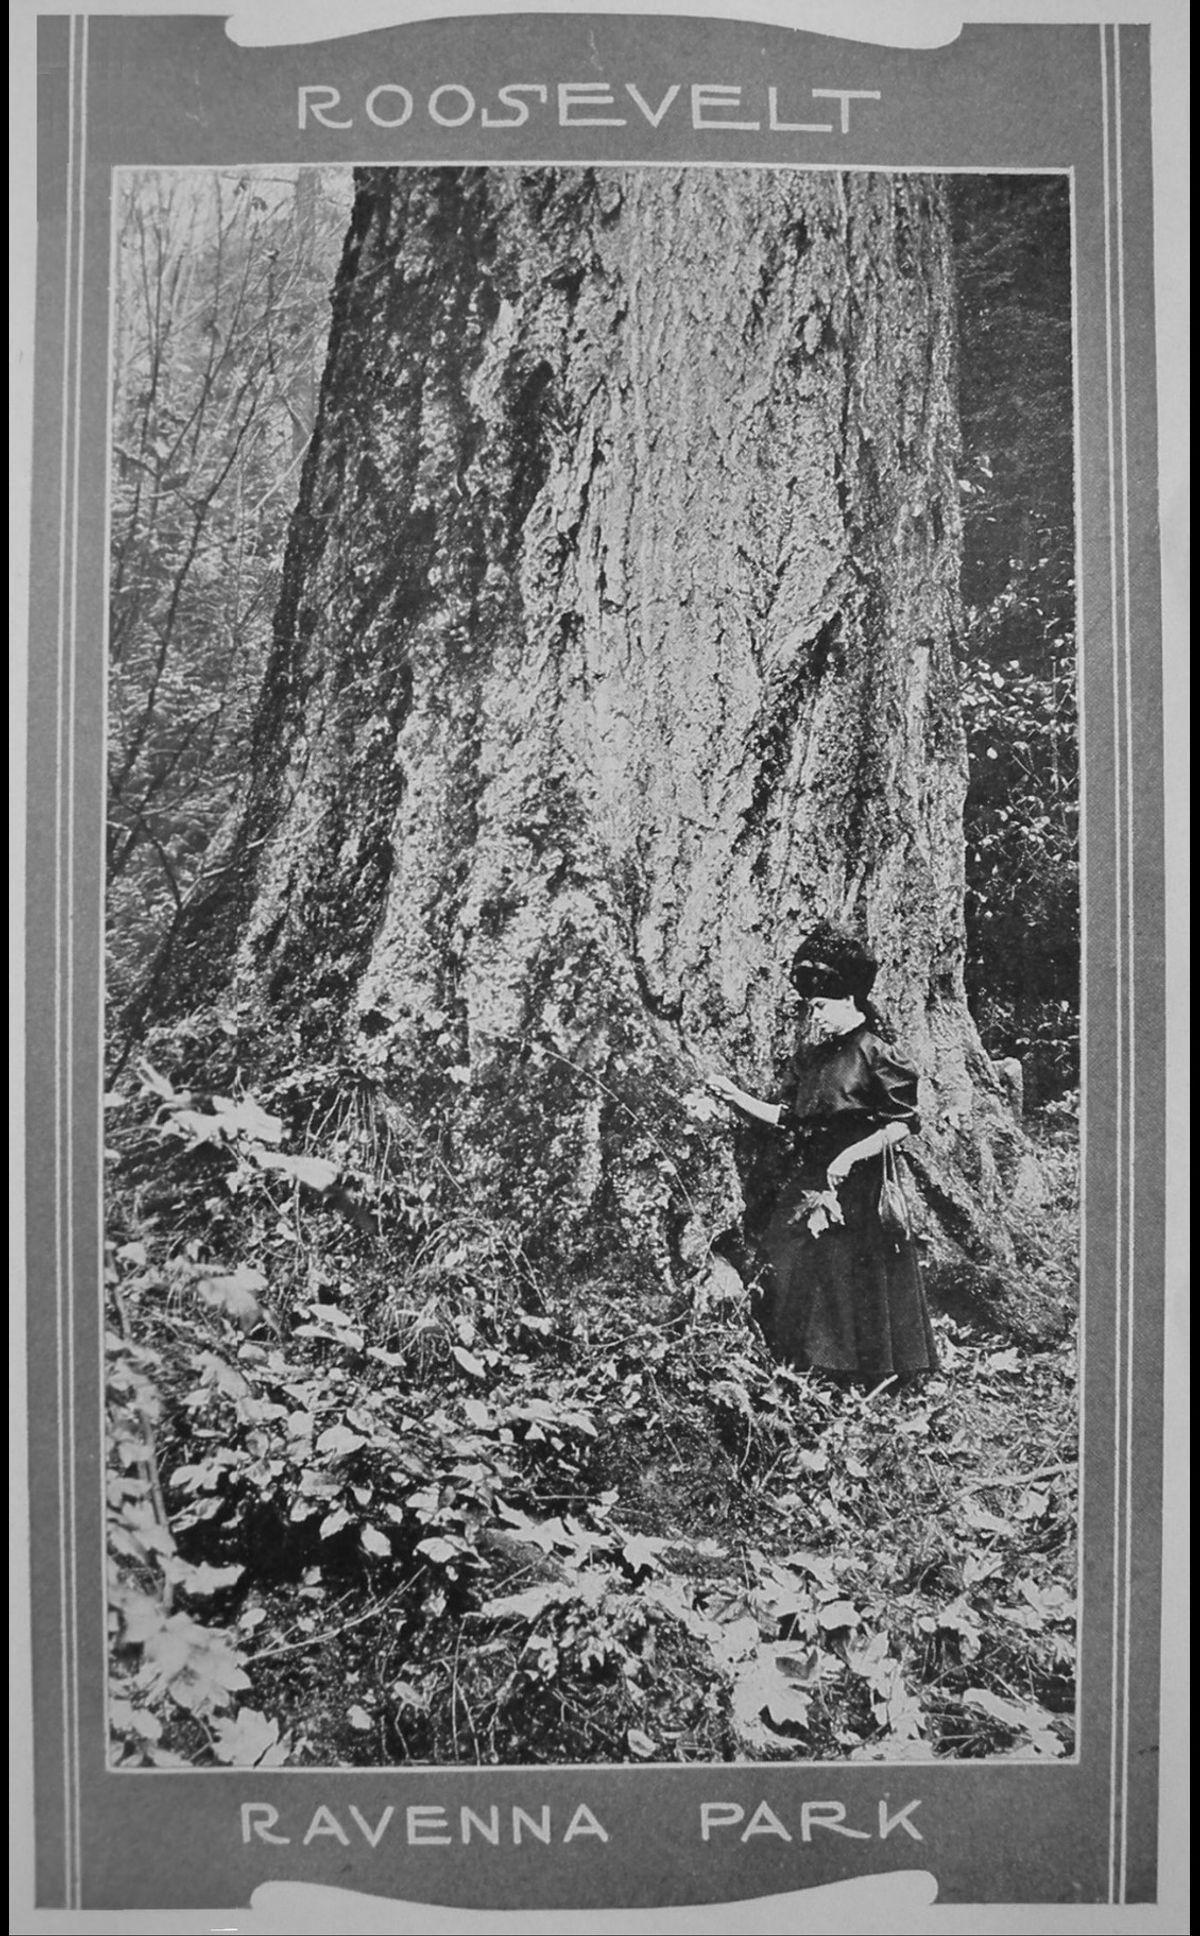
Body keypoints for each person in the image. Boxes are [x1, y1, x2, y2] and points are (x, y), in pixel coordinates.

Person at [704, 922, 938, 1382]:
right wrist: (735, 1097)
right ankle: (808, 1365)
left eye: (822, 1006)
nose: (817, 1016)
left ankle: (859, 1372)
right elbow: (788, 1116)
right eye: (812, 1007)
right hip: (813, 1174)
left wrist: (849, 1158)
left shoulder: (877, 1054)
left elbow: (903, 1124)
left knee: (850, 1273)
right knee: (785, 1253)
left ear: (849, 1000)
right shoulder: (814, 1058)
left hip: (860, 1179)